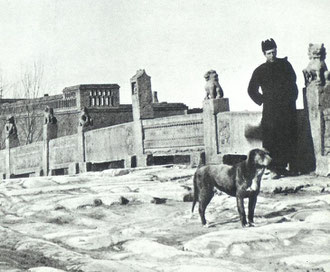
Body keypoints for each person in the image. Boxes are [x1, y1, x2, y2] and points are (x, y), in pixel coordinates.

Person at [247, 38, 298, 179]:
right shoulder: (260, 70)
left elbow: (294, 84)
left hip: (287, 110)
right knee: (271, 139)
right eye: (269, 53)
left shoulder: (286, 65)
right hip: (271, 111)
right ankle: (273, 169)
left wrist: (292, 100)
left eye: (274, 52)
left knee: (286, 137)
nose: (272, 55)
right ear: (264, 54)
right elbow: (251, 90)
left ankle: (283, 168)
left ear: (277, 50)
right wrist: (263, 100)